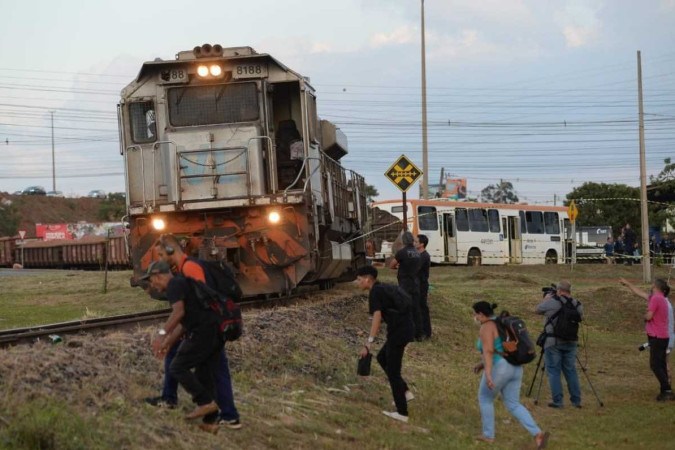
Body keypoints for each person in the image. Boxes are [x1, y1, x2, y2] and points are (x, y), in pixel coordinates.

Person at [145, 234, 241, 429]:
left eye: (162, 254)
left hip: (209, 326)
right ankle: (218, 416)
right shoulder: (184, 269)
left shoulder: (190, 268)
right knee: (205, 369)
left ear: (171, 251)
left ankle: (215, 411)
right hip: (206, 326)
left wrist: (167, 336)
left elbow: (199, 304)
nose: (160, 259)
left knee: (207, 368)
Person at [143, 261, 222, 432]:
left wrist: (161, 334)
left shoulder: (174, 285)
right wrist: (168, 342)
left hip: (205, 331)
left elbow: (178, 312)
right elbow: (184, 323)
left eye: (152, 280)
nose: (153, 285)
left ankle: (205, 402)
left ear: (158, 275)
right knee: (203, 373)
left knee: (177, 367)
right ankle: (211, 422)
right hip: (213, 329)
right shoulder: (182, 283)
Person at [472, 301, 550, 448]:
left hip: (499, 368)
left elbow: (488, 351)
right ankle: (538, 434)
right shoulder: (501, 323)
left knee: (485, 398)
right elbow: (501, 348)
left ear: (481, 314)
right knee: (513, 403)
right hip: (515, 367)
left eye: (475, 314)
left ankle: (488, 435)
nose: (474, 317)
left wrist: (488, 373)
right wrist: (481, 365)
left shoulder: (486, 327)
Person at [356, 265, 415, 423]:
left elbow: (377, 317)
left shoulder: (375, 292)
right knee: (383, 358)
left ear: (368, 279)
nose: (358, 282)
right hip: (404, 329)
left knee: (394, 372)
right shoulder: (382, 287)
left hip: (399, 332)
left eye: (360, 279)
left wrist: (369, 343)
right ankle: (405, 392)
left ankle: (402, 413)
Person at [619, 277, 674, 401]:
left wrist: (645, 316)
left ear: (656, 287)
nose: (651, 287)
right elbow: (640, 293)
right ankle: (666, 390)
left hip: (657, 336)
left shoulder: (655, 298)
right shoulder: (662, 299)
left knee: (655, 364)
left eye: (652, 285)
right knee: (661, 363)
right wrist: (628, 283)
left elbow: (649, 316)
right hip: (663, 336)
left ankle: (666, 389)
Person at [535, 280, 583, 408]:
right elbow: (581, 317)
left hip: (553, 342)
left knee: (554, 371)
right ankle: (576, 401)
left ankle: (558, 401)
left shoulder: (551, 302)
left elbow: (538, 310)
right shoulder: (577, 304)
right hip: (571, 341)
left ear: (559, 290)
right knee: (571, 370)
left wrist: (545, 299)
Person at [389, 231, 423, 340]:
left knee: (404, 308)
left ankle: (407, 333)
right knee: (416, 309)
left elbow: (391, 265)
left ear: (403, 241)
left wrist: (398, 267)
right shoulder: (418, 253)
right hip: (415, 283)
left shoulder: (402, 252)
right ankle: (418, 334)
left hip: (404, 284)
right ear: (412, 241)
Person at [415, 234, 432, 339]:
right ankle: (419, 331)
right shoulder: (418, 255)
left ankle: (426, 332)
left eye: (416, 242)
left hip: (422, 285)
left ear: (421, 244)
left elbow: (415, 268)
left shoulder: (424, 256)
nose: (414, 243)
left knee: (422, 308)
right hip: (417, 285)